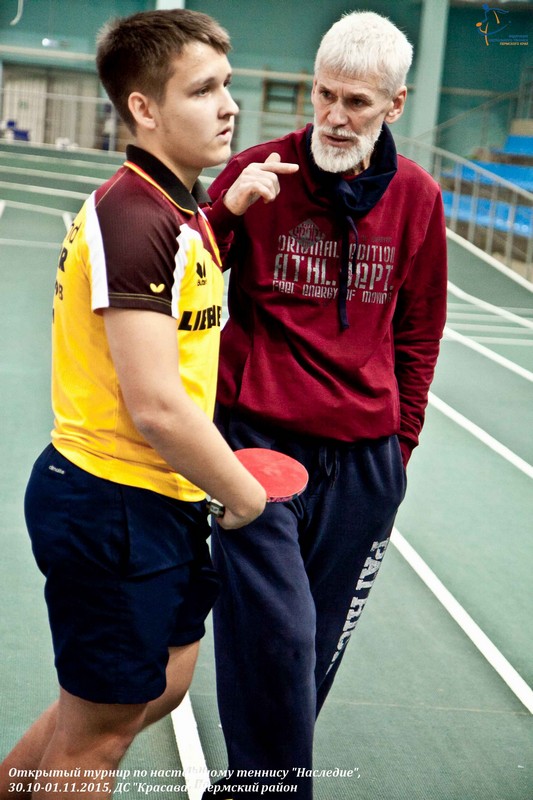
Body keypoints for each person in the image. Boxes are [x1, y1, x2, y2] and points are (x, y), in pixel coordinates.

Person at [0, 9, 299, 799]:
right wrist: (245, 499)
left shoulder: (177, 208)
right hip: (113, 503)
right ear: (143, 108)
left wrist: (225, 213)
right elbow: (157, 406)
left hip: (157, 501)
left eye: (227, 85)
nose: (229, 105)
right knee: (95, 742)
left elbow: (182, 290)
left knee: (147, 693)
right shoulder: (133, 217)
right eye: (202, 90)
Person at [203, 10, 448, 799]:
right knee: (277, 636)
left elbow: (418, 331)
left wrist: (399, 450)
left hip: (364, 463)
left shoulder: (417, 198)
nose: (335, 117)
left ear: (395, 104)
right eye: (324, 95)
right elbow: (181, 287)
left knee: (312, 658)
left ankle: (252, 789)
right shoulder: (258, 171)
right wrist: (225, 213)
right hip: (257, 447)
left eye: (357, 102)